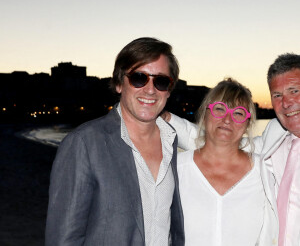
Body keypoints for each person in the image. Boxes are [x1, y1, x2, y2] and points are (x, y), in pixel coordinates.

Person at [45, 37, 185, 246]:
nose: (150, 89)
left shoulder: (171, 141)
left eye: (161, 81)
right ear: (119, 83)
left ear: (169, 90)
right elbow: (63, 239)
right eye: (139, 78)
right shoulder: (84, 143)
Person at [169, 53, 300, 246]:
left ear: (247, 122)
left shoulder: (260, 169)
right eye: (277, 95)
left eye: (295, 90)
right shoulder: (275, 137)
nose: (287, 102)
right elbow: (221, 142)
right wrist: (164, 118)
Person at [174, 78, 276, 245]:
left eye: (238, 113)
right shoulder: (175, 169)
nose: (227, 119)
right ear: (204, 114)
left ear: (248, 123)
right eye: (219, 109)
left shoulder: (266, 173)